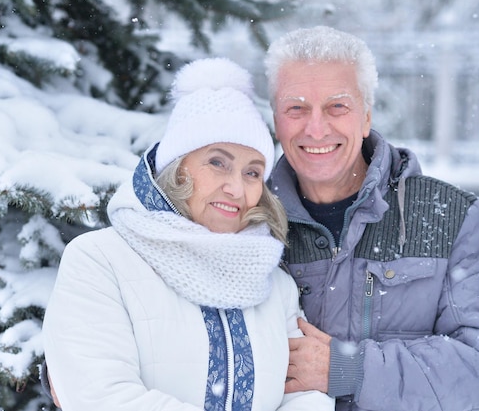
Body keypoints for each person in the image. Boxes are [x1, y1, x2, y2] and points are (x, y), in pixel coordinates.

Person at [41, 57, 334, 411]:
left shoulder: (273, 281)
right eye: (217, 162)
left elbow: (305, 393)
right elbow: (101, 396)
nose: (236, 189)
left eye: (252, 173)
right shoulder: (100, 260)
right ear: (176, 168)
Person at [264, 26, 479, 411]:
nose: (316, 128)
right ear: (277, 121)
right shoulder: (249, 221)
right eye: (296, 108)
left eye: (337, 106)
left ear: (365, 117)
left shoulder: (452, 217)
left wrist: (349, 369)